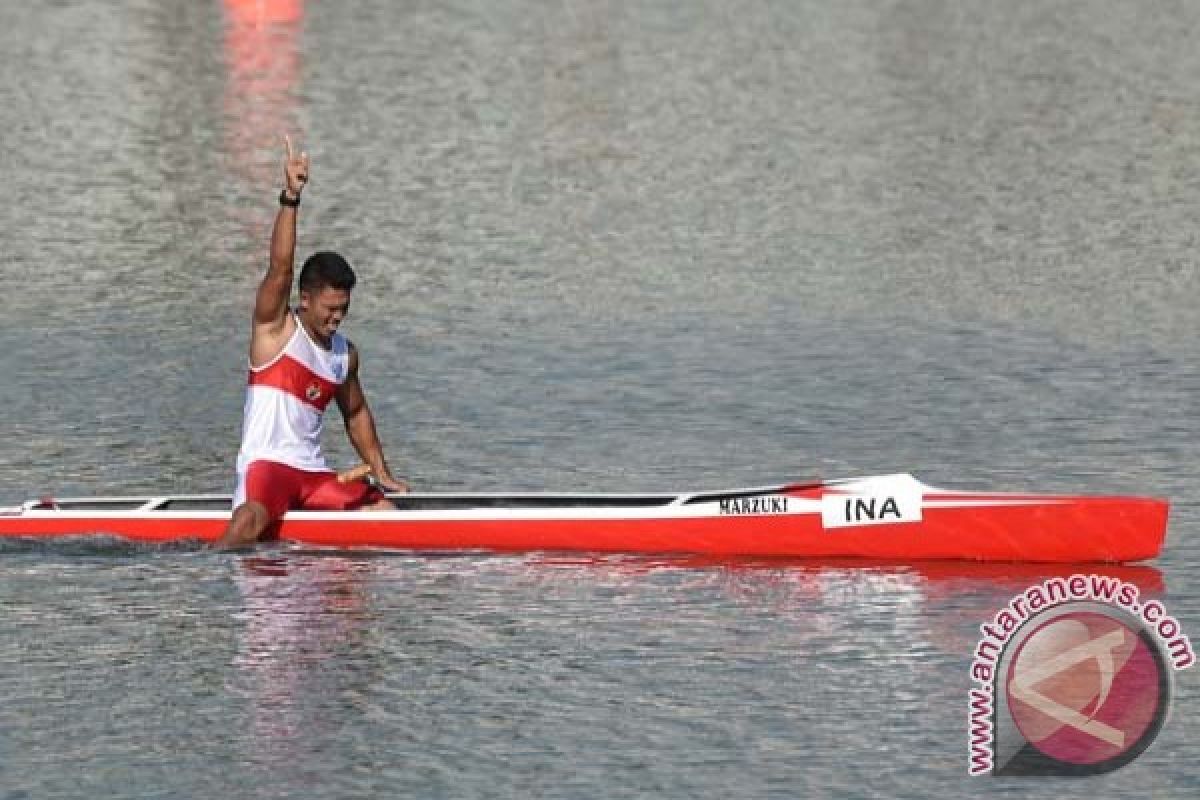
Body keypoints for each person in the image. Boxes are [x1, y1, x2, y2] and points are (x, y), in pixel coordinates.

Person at [214, 136, 407, 549]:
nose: (337, 317)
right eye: (330, 308)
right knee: (251, 520)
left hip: (313, 477)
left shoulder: (343, 356)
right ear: (305, 298)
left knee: (384, 513)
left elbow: (355, 413)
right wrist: (290, 197)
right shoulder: (275, 330)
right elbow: (280, 267)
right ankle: (206, 571)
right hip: (270, 469)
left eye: (344, 308)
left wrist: (381, 471)